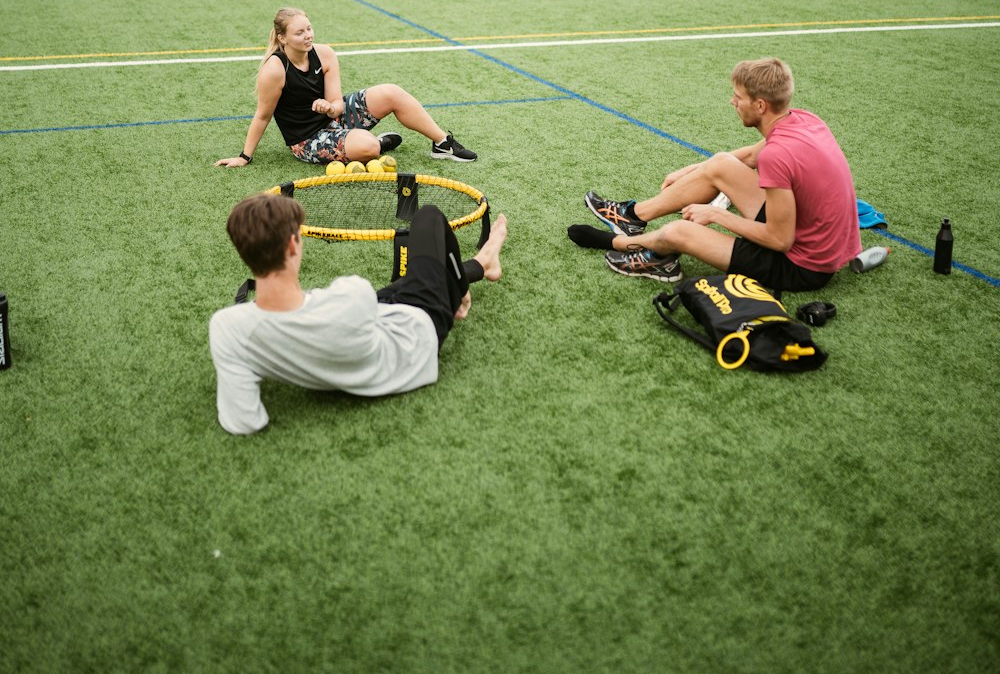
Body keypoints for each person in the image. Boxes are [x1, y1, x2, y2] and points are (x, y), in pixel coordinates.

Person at [210, 193, 508, 434]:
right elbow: (360, 305)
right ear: (292, 245)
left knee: (411, 281)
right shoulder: (350, 295)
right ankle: (472, 276)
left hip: (364, 322)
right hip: (413, 336)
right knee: (428, 218)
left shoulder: (227, 326)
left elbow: (245, 421)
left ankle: (473, 270)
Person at [567, 57, 860, 292]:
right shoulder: (803, 120)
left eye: (738, 97)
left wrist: (718, 215)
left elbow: (779, 240)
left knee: (680, 232)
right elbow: (746, 157)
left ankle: (620, 244)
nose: (733, 102)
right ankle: (632, 217)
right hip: (806, 235)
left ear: (760, 105)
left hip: (802, 266)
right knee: (720, 163)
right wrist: (694, 169)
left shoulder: (777, 156)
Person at [215, 7, 476, 169]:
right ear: (282, 38)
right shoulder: (274, 69)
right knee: (369, 149)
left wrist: (330, 107)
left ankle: (442, 143)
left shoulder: (325, 54)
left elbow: (337, 104)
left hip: (333, 119)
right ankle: (377, 143)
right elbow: (263, 115)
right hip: (307, 140)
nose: (308, 35)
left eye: (309, 28)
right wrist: (244, 156)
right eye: (299, 33)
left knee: (391, 92)